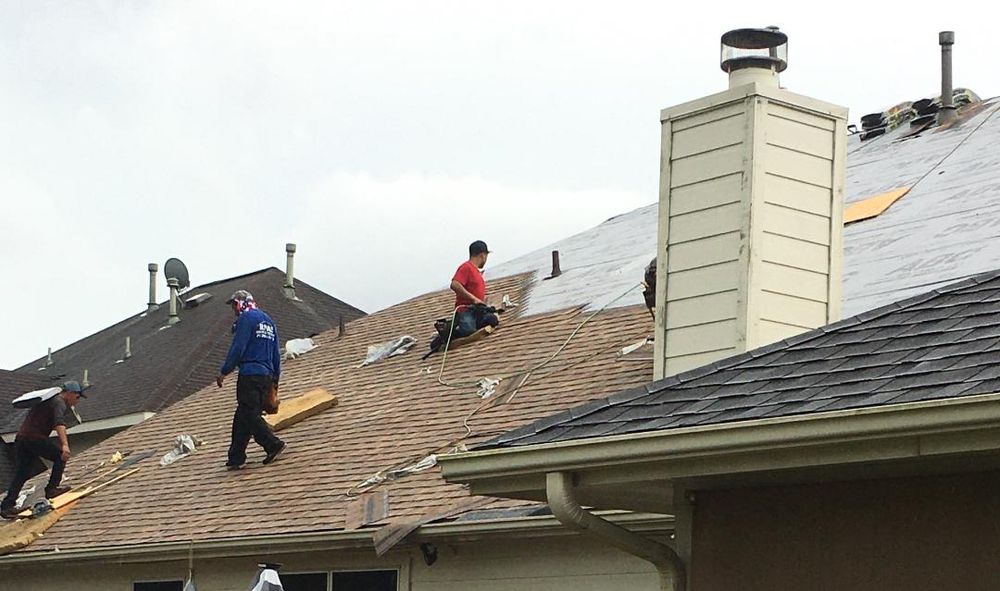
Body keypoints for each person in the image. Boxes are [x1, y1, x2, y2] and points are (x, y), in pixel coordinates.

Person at [217, 290, 286, 469]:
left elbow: (238, 347)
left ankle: (272, 444)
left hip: (250, 374)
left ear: (241, 303)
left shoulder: (246, 319)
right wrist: (275, 380)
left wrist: (225, 371)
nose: (233, 309)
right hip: (266, 376)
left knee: (249, 413)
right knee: (242, 415)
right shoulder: (268, 321)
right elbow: (275, 354)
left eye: (234, 305)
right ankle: (236, 457)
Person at [1, 381, 86, 519]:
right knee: (60, 456)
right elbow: (59, 423)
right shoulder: (59, 402)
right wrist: (65, 445)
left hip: (22, 438)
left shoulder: (48, 401)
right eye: (77, 397)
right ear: (70, 393)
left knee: (22, 473)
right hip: (34, 438)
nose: (77, 401)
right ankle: (51, 489)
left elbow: (43, 420)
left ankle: (7, 506)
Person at [450, 240, 500, 337]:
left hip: (478, 310)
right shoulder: (466, 267)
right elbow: (454, 284)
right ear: (483, 255)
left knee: (492, 319)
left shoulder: (477, 272)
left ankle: (472, 325)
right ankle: (454, 330)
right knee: (468, 330)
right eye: (486, 256)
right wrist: (473, 299)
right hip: (466, 310)